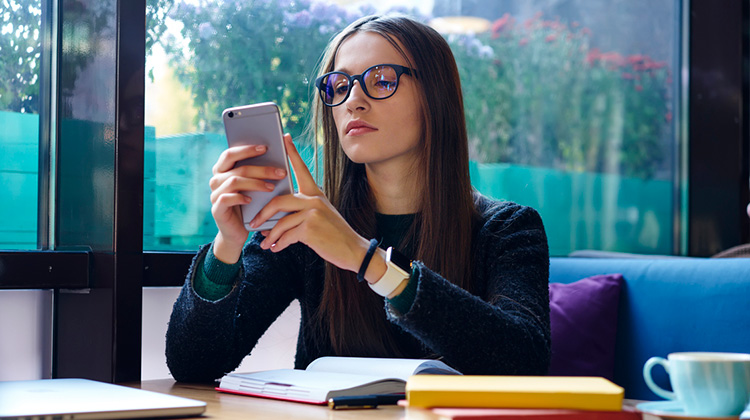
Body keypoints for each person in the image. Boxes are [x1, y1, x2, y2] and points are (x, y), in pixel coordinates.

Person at [166, 14, 551, 382]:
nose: (353, 100)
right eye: (339, 85)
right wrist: (227, 245)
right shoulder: (307, 228)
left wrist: (367, 261)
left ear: (436, 97)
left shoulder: (509, 230)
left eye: (381, 81)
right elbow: (193, 364)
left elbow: (525, 362)